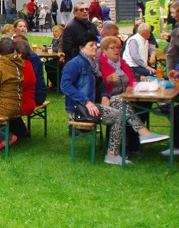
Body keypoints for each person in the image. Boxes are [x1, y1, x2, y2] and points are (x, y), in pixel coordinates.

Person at [60, 37, 164, 166]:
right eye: (91, 45)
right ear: (81, 48)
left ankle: (143, 132)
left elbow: (101, 84)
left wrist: (104, 96)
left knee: (121, 102)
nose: (94, 47)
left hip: (93, 103)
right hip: (80, 108)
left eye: (95, 45)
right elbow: (65, 86)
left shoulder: (91, 63)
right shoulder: (75, 63)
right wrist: (86, 101)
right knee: (119, 116)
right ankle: (112, 154)